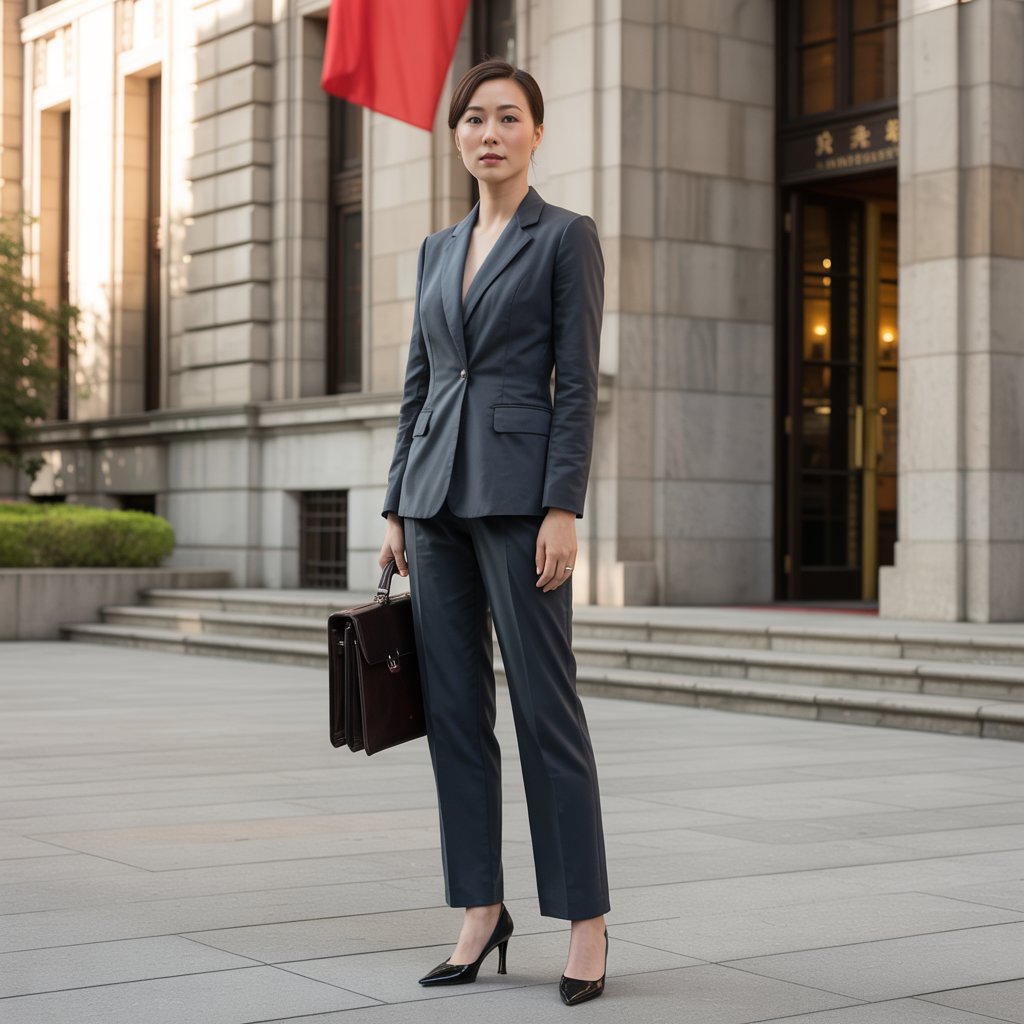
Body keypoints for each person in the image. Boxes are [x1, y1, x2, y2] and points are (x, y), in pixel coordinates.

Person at [378, 58, 610, 1007]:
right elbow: (420, 382)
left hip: (520, 502)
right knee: (455, 721)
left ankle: (586, 920)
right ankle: (480, 908)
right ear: (458, 135)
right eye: (474, 119)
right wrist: (396, 502)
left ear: (536, 135)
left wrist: (565, 504)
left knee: (545, 712)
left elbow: (578, 383)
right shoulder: (438, 248)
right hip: (433, 504)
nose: (489, 133)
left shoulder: (566, 239)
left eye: (508, 118)